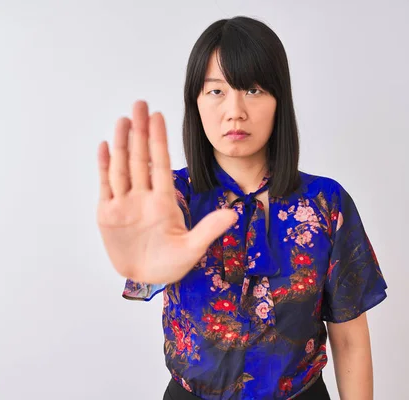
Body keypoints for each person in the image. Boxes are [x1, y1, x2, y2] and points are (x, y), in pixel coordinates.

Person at [96, 16, 388, 400]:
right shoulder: (171, 198)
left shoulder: (325, 204)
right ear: (195, 102)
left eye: (252, 89)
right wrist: (143, 265)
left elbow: (349, 340)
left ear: (279, 98)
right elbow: (150, 258)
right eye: (216, 91)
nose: (235, 110)